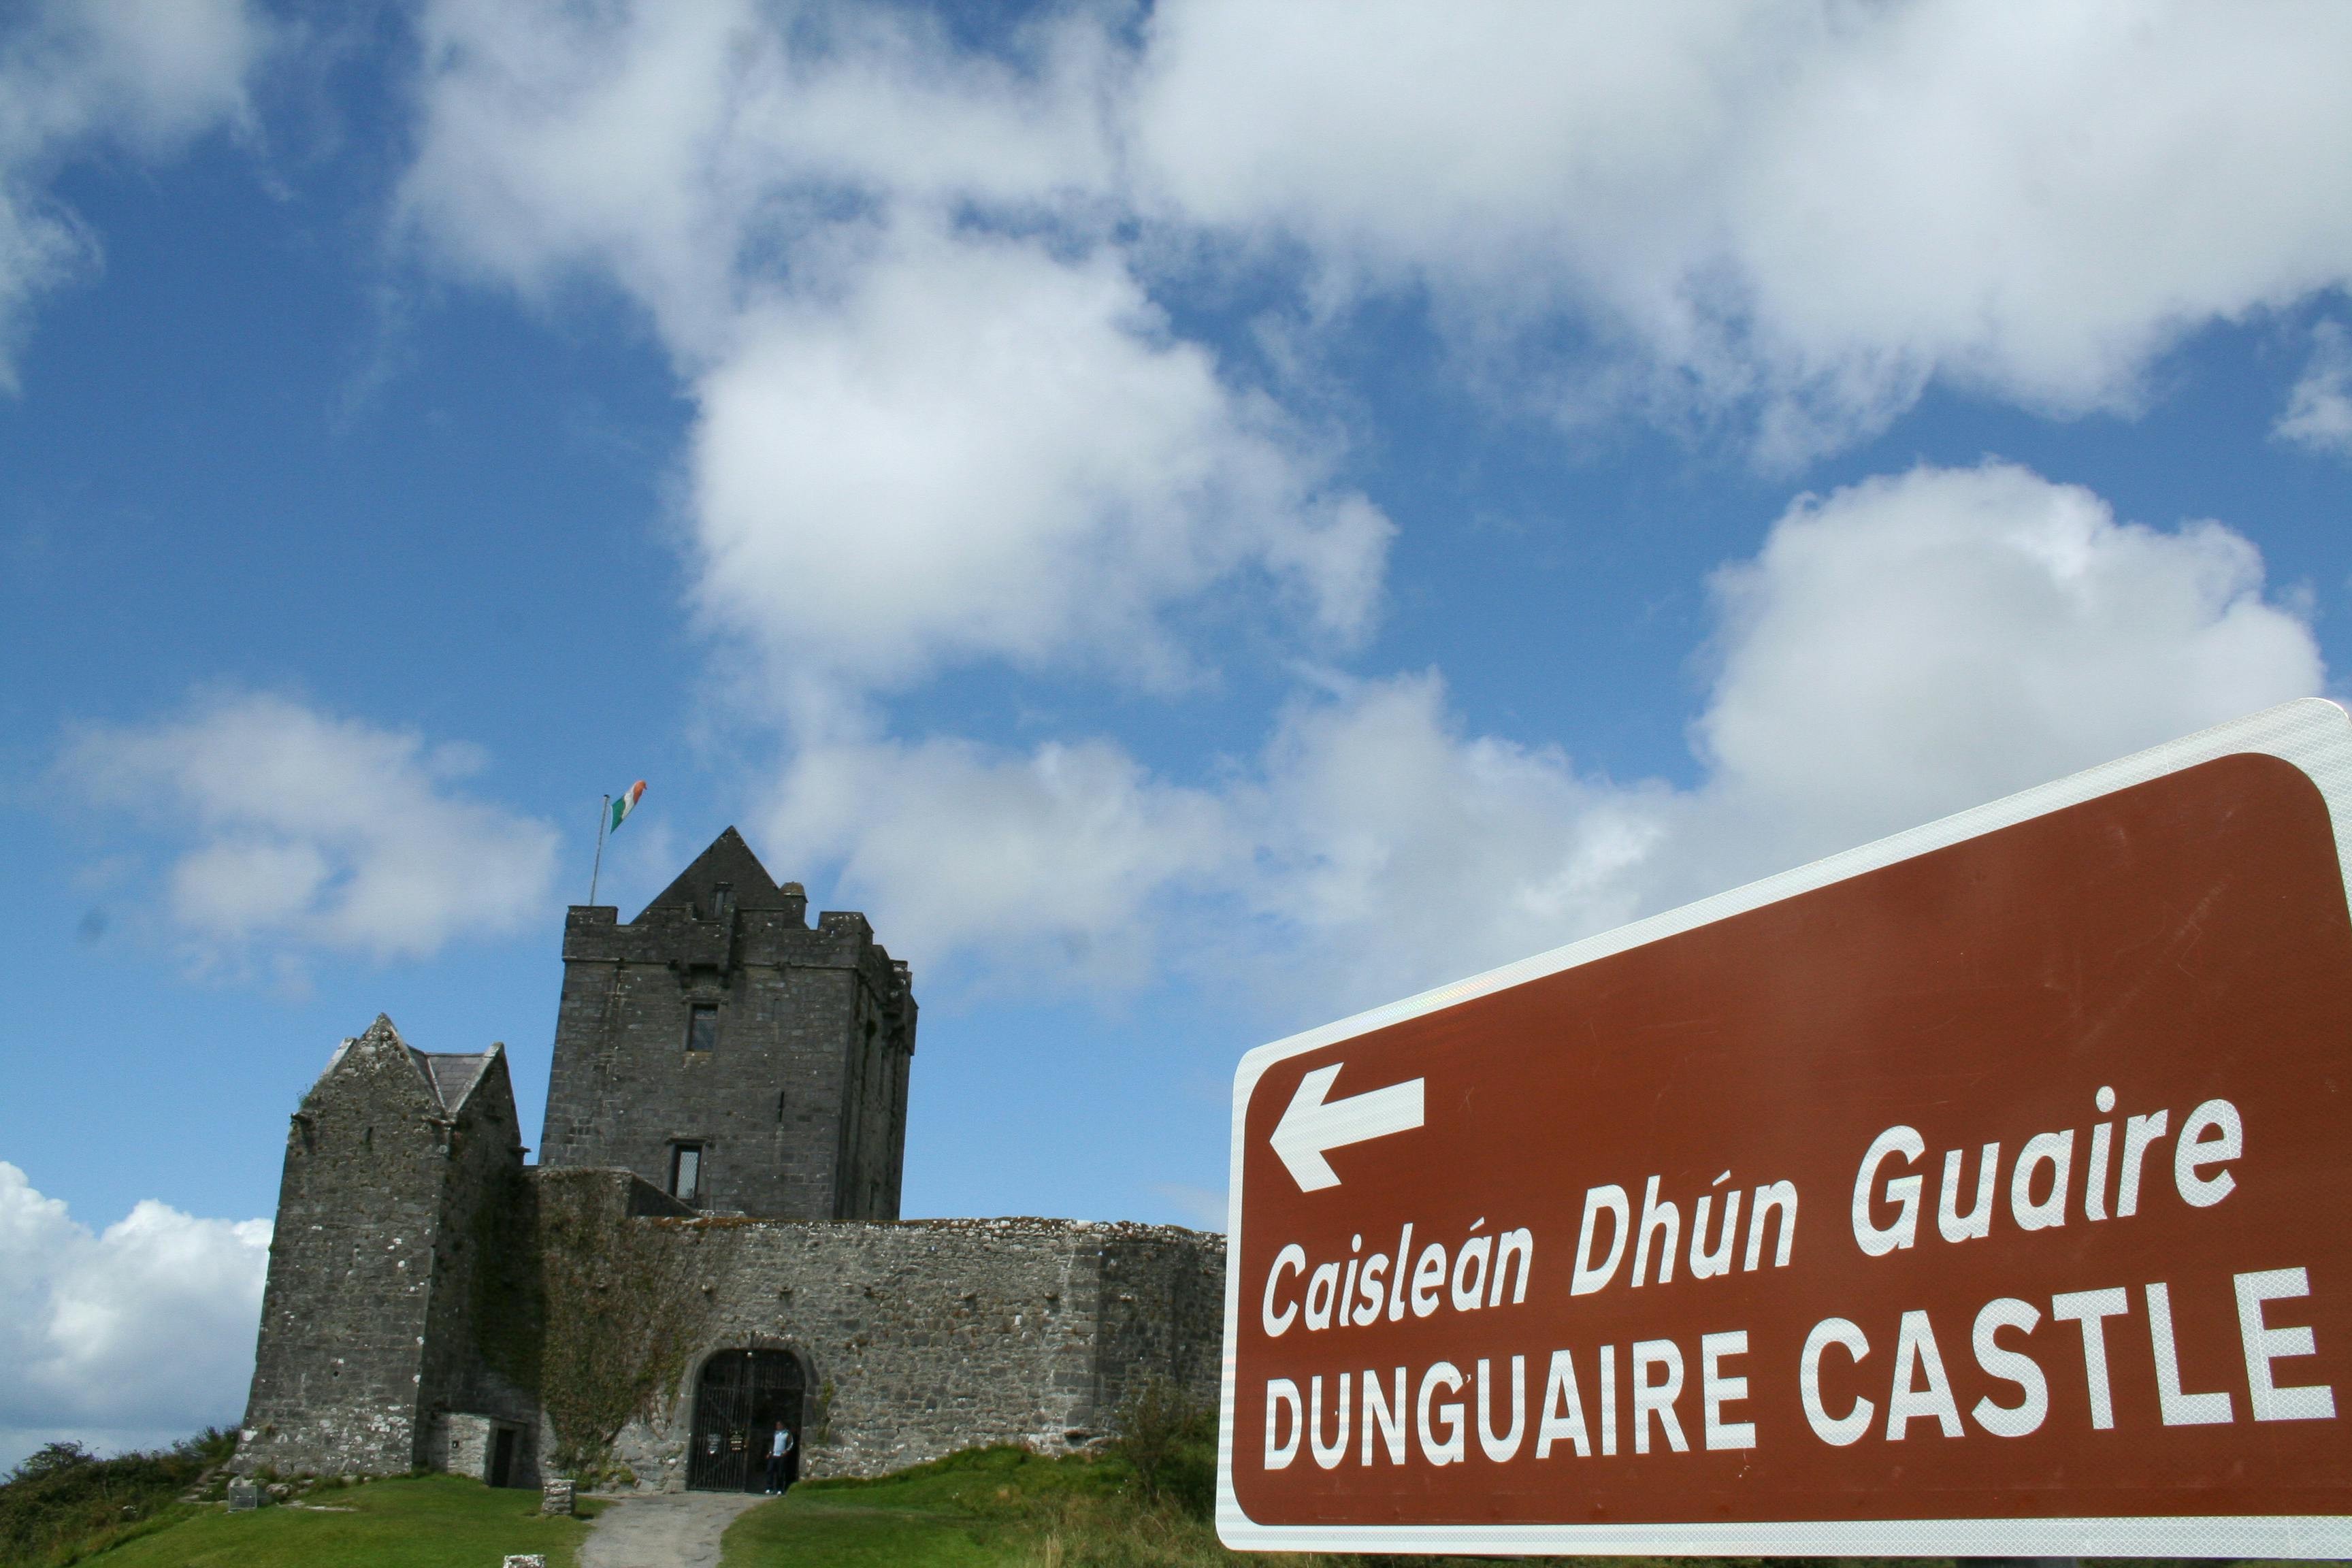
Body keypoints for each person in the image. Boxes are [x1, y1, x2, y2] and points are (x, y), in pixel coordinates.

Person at [764, 1423, 795, 1494]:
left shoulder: (787, 1434)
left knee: (780, 1473)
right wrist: (770, 1452)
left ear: (783, 1425)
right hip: (774, 1455)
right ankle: (769, 1488)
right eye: (777, 1425)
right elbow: (771, 1443)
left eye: (779, 1425)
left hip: (781, 1456)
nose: (778, 1426)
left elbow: (791, 1443)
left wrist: (786, 1451)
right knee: (770, 1471)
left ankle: (779, 1489)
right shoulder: (775, 1433)